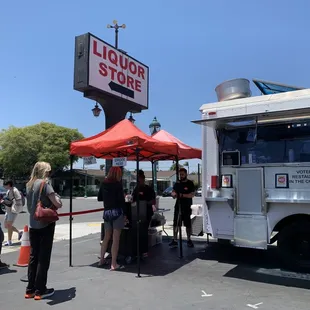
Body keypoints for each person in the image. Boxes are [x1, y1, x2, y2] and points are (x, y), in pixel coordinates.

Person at [25, 162, 62, 300]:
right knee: (43, 257)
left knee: (33, 256)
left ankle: (30, 289)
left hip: (33, 224)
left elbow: (28, 206)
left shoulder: (29, 185)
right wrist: (57, 197)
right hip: (45, 224)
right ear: (44, 171)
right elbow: (57, 203)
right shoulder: (45, 184)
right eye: (48, 171)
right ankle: (41, 289)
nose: (49, 173)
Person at [98, 166, 127, 270]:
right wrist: (125, 214)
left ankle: (101, 259)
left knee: (106, 237)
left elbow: (99, 198)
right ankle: (114, 263)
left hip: (107, 212)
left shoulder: (104, 183)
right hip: (117, 212)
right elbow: (121, 201)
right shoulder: (118, 185)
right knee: (116, 239)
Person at [132, 170, 156, 258]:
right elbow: (133, 199)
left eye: (139, 179)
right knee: (136, 231)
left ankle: (144, 250)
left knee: (144, 231)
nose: (138, 181)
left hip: (147, 213)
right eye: (137, 180)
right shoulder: (136, 189)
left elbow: (153, 201)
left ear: (143, 179)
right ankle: (136, 249)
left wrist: (146, 203)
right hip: (136, 213)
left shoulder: (149, 189)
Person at [169, 168, 195, 248]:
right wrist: (173, 194)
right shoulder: (177, 183)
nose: (181, 176)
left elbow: (192, 194)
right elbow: (173, 192)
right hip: (178, 205)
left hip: (187, 206)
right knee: (176, 223)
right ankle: (175, 240)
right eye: (180, 174)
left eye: (182, 174)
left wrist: (182, 195)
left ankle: (189, 239)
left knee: (187, 224)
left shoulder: (190, 183)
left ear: (186, 174)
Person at [2, 180, 23, 246]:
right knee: (6, 226)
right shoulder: (9, 190)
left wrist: (11, 202)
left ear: (8, 184)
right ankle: (19, 232)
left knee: (9, 225)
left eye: (5, 185)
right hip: (8, 210)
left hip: (13, 210)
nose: (4, 186)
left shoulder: (15, 190)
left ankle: (9, 241)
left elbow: (19, 199)